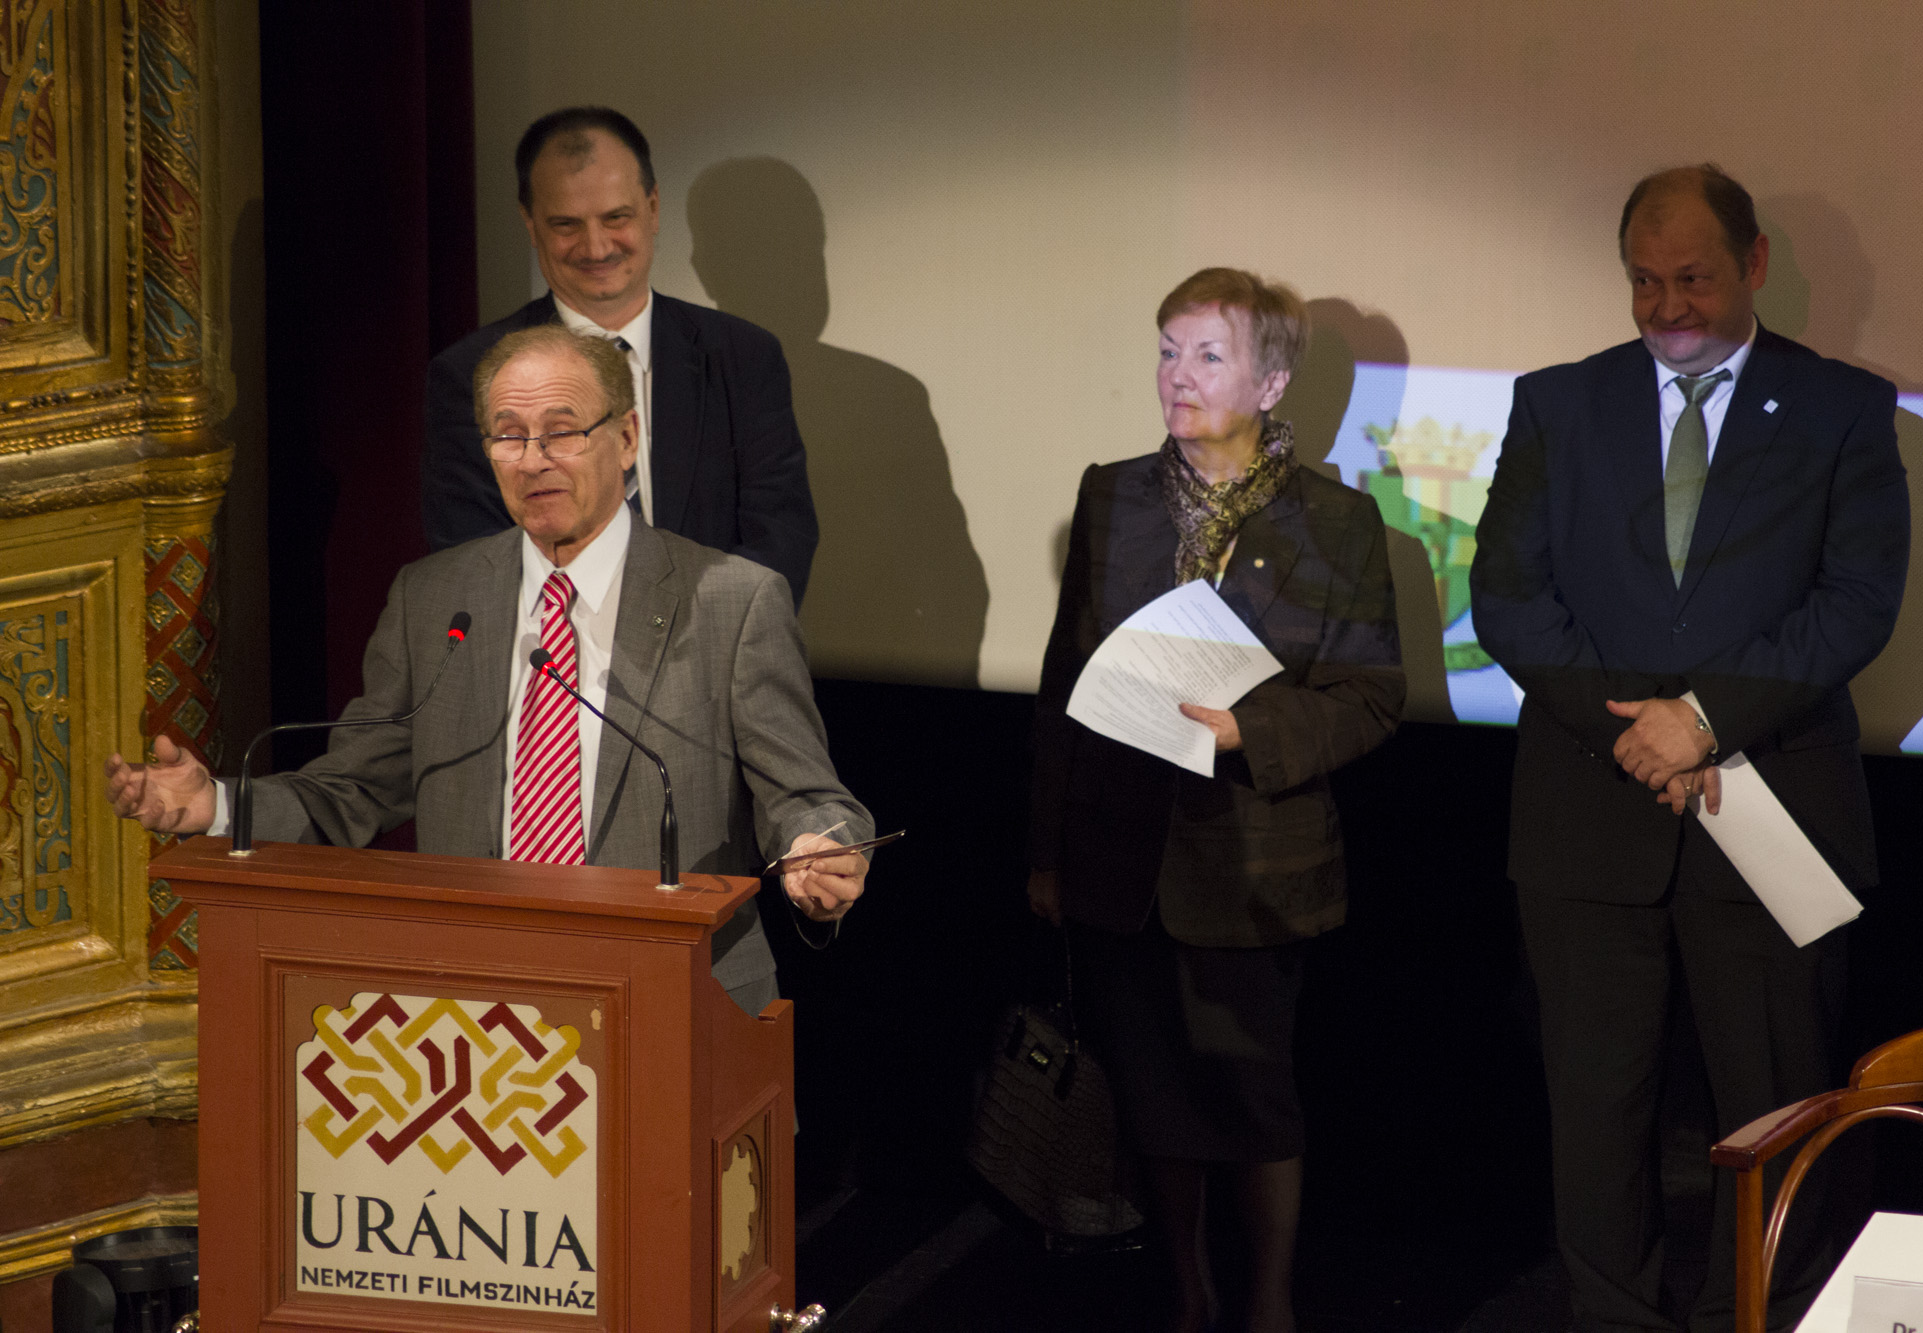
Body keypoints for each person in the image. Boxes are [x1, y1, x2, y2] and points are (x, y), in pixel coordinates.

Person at [110, 324, 870, 1015]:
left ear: (627, 436)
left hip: (679, 1004)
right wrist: (218, 804)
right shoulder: (434, 598)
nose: (533, 459)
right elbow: (351, 791)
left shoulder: (732, 601)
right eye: (509, 436)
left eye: (561, 431)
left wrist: (818, 847)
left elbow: (806, 797)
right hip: (477, 1016)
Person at [1470, 164, 1909, 1333]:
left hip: (1772, 810)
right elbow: (1506, 596)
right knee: (1593, 1108)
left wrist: (1702, 720)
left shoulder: (1841, 410)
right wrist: (1639, 733)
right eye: (1643, 281)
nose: (1666, 305)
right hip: (1586, 815)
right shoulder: (1555, 405)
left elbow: (1856, 601)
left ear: (1752, 263)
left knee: (1773, 1104)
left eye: (1692, 278)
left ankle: (1748, 1315)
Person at [1027, 268, 1403, 1333]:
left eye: (1206, 355)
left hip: (1257, 860)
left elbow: (1373, 696)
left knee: (1253, 1095)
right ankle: (1186, 1294)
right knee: (1154, 1097)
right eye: (1166, 351)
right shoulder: (1112, 495)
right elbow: (1064, 684)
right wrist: (1047, 852)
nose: (1176, 376)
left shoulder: (1337, 521)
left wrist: (1253, 731)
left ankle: (1268, 1300)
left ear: (1269, 383)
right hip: (1120, 858)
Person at [423, 106, 817, 609]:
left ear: (652, 208)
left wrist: (692, 643)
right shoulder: (469, 373)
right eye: (566, 224)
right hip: (551, 651)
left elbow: (780, 537)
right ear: (531, 224)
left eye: (616, 218)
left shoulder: (744, 358)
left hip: (717, 648)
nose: (596, 247)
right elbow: (474, 554)